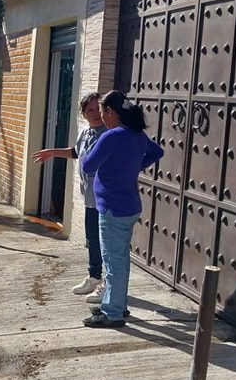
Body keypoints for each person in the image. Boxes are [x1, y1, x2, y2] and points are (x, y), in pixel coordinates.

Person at [81, 90, 164, 328]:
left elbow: (88, 165)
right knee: (120, 259)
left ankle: (112, 313)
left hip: (112, 208)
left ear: (110, 112)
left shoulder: (112, 136)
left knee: (113, 260)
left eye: (102, 111)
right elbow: (158, 152)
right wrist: (133, 166)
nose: (99, 116)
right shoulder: (136, 135)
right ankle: (117, 303)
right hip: (129, 206)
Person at [31, 92, 107, 299]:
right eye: (90, 110)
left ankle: (108, 284)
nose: (95, 113)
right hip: (90, 198)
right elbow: (75, 152)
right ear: (83, 114)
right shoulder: (85, 132)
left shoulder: (109, 133)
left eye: (98, 108)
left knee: (105, 242)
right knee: (92, 239)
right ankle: (94, 277)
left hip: (106, 198)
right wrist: (52, 152)